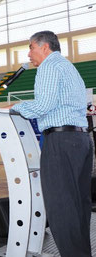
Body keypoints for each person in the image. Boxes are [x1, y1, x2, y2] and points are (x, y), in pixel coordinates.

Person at [10, 31, 92, 257]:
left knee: (61, 206)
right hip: (82, 139)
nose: (29, 54)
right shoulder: (69, 68)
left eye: (31, 48)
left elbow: (42, 105)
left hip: (61, 142)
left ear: (44, 47)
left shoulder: (48, 66)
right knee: (78, 204)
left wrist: (14, 108)